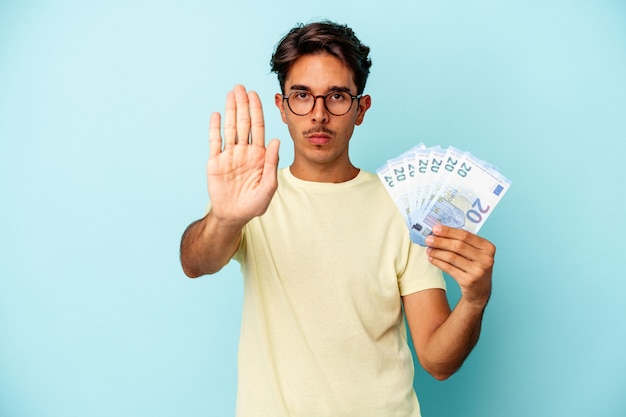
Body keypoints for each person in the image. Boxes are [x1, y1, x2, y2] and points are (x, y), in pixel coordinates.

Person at [180, 20, 495, 417]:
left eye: (337, 96)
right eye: (301, 96)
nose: (319, 114)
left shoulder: (403, 206)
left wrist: (475, 300)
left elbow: (438, 361)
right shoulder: (252, 198)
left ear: (361, 108)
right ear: (282, 107)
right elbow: (195, 263)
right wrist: (225, 219)